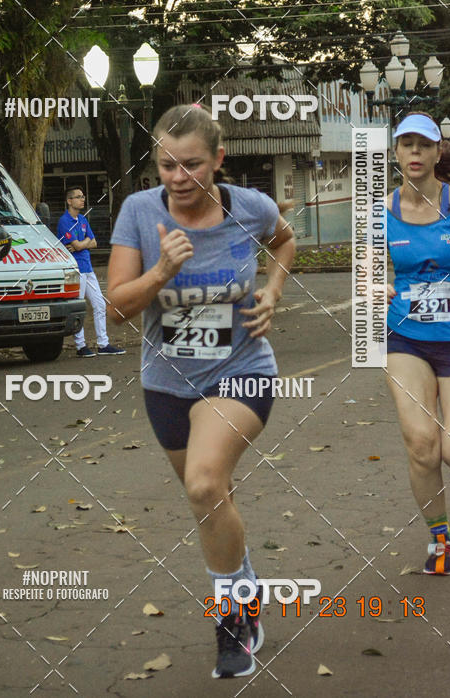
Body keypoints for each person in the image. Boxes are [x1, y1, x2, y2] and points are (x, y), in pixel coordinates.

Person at [106, 104, 295, 678]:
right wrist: (161, 272)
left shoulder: (250, 207)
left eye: (192, 165)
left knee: (205, 481)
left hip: (242, 369)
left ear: (218, 160)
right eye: (167, 165)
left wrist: (273, 290)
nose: (179, 178)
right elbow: (115, 309)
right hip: (167, 382)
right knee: (210, 501)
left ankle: (233, 620)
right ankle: (245, 585)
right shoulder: (139, 212)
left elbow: (283, 242)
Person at [386, 113, 450, 575]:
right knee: (421, 444)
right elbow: (369, 276)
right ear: (396, 153)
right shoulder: (379, 214)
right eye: (405, 144)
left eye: (423, 145)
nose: (414, 152)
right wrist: (376, 289)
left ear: (437, 152)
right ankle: (440, 540)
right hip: (406, 338)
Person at [57, 187, 124, 357]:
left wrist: (82, 242)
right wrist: (83, 243)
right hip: (74, 270)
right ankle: (81, 346)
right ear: (69, 201)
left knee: (100, 305)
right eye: (78, 197)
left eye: (83, 196)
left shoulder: (82, 219)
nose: (82, 200)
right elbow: (79, 245)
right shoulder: (64, 221)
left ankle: (103, 344)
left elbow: (93, 243)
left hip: (88, 268)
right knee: (79, 307)